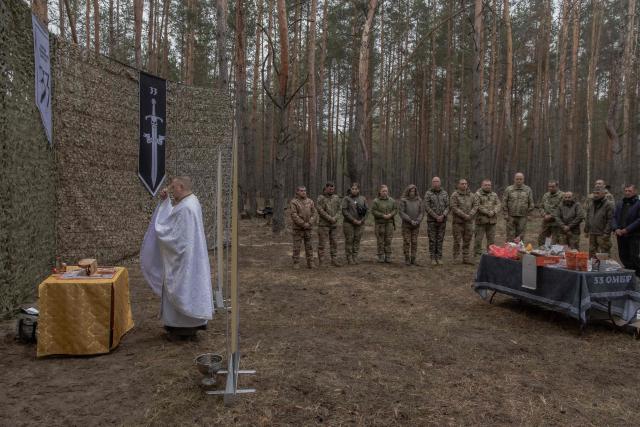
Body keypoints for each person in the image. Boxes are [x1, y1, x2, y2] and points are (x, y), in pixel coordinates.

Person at [140, 176, 213, 340]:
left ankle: (180, 329)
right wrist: (166, 202)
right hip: (191, 257)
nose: (172, 191)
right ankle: (189, 327)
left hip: (182, 260)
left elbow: (167, 232)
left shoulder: (186, 207)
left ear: (181, 187)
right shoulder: (192, 202)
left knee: (183, 287)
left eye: (173, 188)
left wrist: (165, 205)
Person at [612, 184, 640, 277]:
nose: (627, 193)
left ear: (635, 191)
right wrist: (616, 228)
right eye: (626, 191)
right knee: (623, 256)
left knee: (634, 256)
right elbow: (614, 217)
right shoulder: (620, 203)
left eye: (629, 191)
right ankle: (630, 274)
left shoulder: (638, 203)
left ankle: (637, 275)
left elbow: (639, 220)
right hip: (620, 235)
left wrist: (627, 229)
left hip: (634, 235)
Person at [450, 179, 478, 264]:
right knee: (457, 241)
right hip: (458, 222)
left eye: (465, 184)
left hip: (469, 222)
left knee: (467, 240)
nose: (464, 185)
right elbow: (453, 207)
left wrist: (470, 214)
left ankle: (465, 258)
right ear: (459, 185)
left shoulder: (472, 195)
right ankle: (456, 258)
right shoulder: (455, 195)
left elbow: (476, 205)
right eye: (462, 184)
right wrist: (464, 215)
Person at [289, 186, 317, 269]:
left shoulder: (310, 201)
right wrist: (303, 224)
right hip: (298, 228)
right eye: (301, 191)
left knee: (309, 246)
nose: (303, 192)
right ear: (297, 192)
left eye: (305, 190)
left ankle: (310, 262)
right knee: (297, 246)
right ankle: (296, 262)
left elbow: (314, 213)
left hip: (308, 228)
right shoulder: (294, 202)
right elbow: (294, 215)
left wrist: (310, 223)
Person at [502, 172, 535, 242]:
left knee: (520, 235)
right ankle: (510, 251)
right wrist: (505, 214)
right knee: (510, 235)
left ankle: (519, 251)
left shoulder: (528, 189)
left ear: (523, 180)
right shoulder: (509, 189)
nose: (519, 181)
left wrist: (529, 214)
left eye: (520, 179)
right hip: (511, 216)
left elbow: (531, 203)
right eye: (517, 179)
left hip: (523, 216)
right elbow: (504, 202)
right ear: (514, 179)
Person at [316, 182, 342, 267]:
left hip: (334, 225)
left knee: (334, 243)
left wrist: (335, 218)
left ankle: (334, 260)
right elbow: (320, 210)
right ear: (326, 188)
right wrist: (329, 218)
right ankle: (321, 261)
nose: (331, 190)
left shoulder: (336, 198)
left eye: (333, 189)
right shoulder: (321, 198)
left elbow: (339, 209)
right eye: (330, 189)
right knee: (322, 243)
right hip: (323, 225)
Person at [424, 177, 449, 265]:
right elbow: (427, 207)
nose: (435, 183)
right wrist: (436, 216)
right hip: (432, 221)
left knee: (440, 239)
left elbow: (448, 206)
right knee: (432, 239)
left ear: (440, 183)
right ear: (432, 183)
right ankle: (432, 258)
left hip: (442, 221)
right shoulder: (428, 193)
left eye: (437, 181)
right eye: (434, 181)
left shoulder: (445, 193)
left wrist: (443, 215)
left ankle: (439, 257)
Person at [342, 183, 368, 265]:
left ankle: (355, 257)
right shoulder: (346, 199)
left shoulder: (363, 198)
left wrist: (362, 220)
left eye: (356, 189)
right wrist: (353, 220)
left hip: (360, 224)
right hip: (349, 223)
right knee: (349, 240)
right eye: (352, 188)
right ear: (350, 189)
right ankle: (349, 258)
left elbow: (367, 211)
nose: (354, 190)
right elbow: (344, 211)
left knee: (357, 240)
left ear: (358, 190)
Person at [584, 187, 614, 258]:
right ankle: (593, 268)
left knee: (604, 254)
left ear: (603, 194)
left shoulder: (609, 204)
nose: (595, 195)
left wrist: (606, 232)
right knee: (592, 253)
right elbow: (588, 217)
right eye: (594, 193)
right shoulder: (591, 204)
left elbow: (610, 219)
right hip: (592, 233)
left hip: (602, 234)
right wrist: (586, 230)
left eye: (598, 193)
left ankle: (604, 268)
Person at [371, 185, 398, 263]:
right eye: (383, 191)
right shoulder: (376, 201)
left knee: (388, 240)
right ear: (380, 192)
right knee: (380, 241)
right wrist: (382, 215)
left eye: (386, 191)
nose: (385, 192)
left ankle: (388, 256)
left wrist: (391, 215)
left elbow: (395, 209)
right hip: (380, 224)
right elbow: (373, 211)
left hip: (389, 224)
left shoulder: (392, 201)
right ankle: (381, 256)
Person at [399, 184, 424, 266]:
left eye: (414, 191)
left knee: (414, 241)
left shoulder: (419, 200)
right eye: (411, 191)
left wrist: (418, 220)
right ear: (408, 191)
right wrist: (410, 220)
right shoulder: (403, 200)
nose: (412, 192)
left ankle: (413, 258)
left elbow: (421, 212)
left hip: (416, 225)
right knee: (407, 241)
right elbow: (402, 212)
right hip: (406, 225)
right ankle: (407, 258)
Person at [474, 179, 500, 256]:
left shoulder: (494, 195)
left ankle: (490, 254)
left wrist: (494, 211)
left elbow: (498, 204)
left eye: (489, 185)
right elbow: (477, 205)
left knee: (491, 240)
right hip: (481, 221)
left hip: (492, 221)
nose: (487, 186)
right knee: (478, 239)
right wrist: (487, 212)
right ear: (482, 185)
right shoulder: (477, 194)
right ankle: (477, 254)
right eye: (486, 185)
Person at [537, 180, 563, 246]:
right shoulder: (546, 195)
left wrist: (551, 216)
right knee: (541, 239)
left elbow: (560, 209)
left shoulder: (562, 195)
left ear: (557, 186)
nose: (550, 188)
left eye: (553, 187)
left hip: (556, 222)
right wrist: (544, 215)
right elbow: (541, 206)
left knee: (554, 242)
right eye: (549, 187)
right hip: (546, 221)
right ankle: (542, 254)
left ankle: (552, 255)